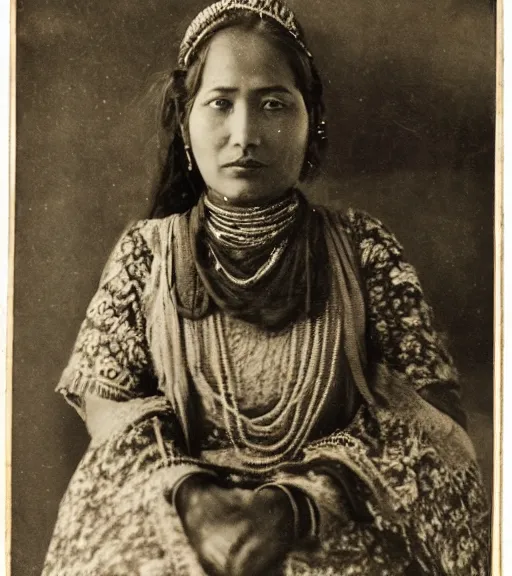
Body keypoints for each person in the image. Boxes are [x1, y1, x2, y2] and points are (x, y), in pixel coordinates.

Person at [42, 1, 490, 574]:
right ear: (185, 123)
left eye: (274, 104)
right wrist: (197, 502)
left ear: (312, 120)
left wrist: (295, 506)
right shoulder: (147, 252)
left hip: (329, 513)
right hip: (181, 508)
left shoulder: (362, 247)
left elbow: (430, 418)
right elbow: (111, 403)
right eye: (220, 104)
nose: (245, 134)